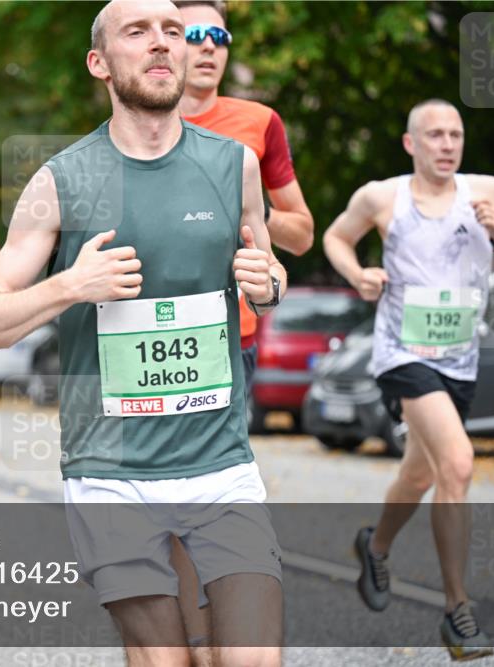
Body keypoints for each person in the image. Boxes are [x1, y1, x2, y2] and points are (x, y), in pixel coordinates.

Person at [0, 2, 285, 665]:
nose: (164, 44)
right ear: (100, 62)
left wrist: (267, 280)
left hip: (220, 466)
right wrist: (70, 285)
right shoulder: (61, 181)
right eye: (139, 32)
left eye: (174, 32)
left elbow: (270, 268)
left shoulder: (235, 166)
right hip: (111, 476)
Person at [324, 98, 494, 661]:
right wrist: (358, 273)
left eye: (455, 134)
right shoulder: (382, 197)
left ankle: (376, 544)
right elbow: (336, 238)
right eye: (434, 135)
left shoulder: (488, 194)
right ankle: (456, 612)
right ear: (411, 143)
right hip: (402, 353)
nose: (446, 144)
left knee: (420, 475)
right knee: (458, 465)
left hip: (459, 359)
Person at [170, 3, 315, 661]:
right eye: (192, 34)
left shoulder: (259, 124)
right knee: (169, 490)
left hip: (235, 335)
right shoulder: (140, 121)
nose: (207, 47)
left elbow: (302, 230)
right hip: (154, 335)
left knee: (212, 489)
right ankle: (196, 635)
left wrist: (241, 205)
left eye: (218, 36)